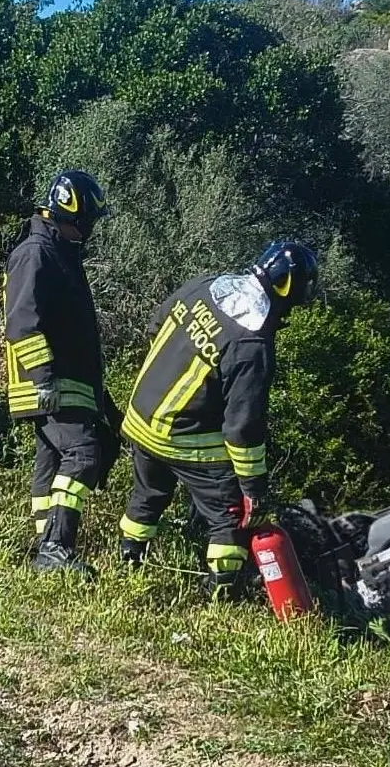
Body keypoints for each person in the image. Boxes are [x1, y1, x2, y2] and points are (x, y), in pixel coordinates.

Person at [115, 240, 320, 600]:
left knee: (148, 495)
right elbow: (242, 428)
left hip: (139, 416)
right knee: (231, 517)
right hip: (177, 435)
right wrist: (252, 490)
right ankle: (220, 595)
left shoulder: (206, 286)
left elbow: (156, 325)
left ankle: (129, 564)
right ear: (287, 291)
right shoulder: (252, 344)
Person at [4, 168, 122, 576]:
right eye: (87, 221)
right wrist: (43, 377)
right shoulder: (37, 252)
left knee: (51, 462)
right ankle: (55, 548)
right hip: (52, 385)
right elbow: (21, 321)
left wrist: (103, 399)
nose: (89, 231)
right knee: (83, 453)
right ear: (71, 214)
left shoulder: (59, 253)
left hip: (71, 384)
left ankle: (44, 547)